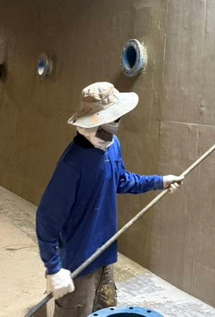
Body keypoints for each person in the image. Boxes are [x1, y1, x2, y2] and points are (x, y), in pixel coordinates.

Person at [36, 82, 184, 317]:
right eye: (109, 122)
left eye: (116, 120)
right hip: (77, 259)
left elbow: (121, 180)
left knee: (105, 310)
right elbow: (47, 219)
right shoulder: (72, 165)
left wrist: (160, 181)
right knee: (77, 311)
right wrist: (54, 269)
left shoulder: (112, 146)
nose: (114, 127)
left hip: (105, 249)